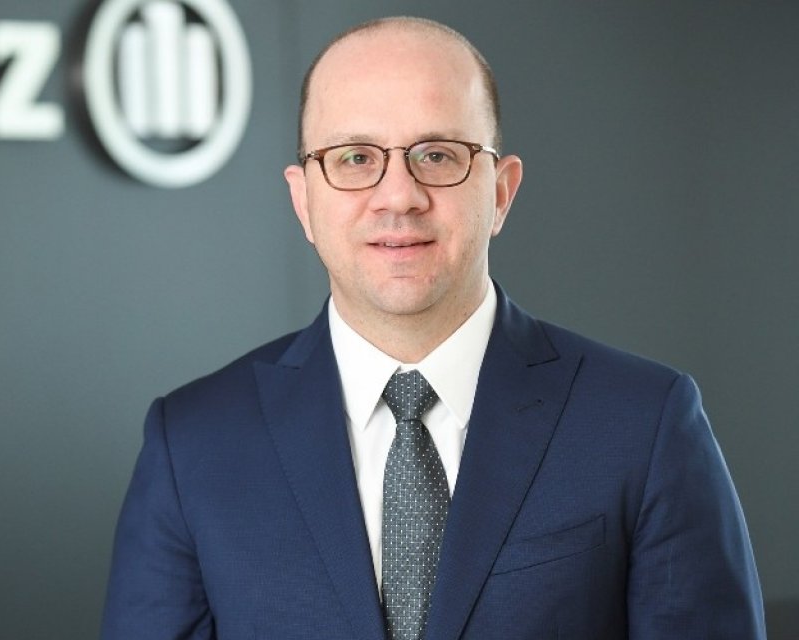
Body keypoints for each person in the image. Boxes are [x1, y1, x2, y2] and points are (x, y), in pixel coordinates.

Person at [100, 16, 765, 640]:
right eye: (355, 158)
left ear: (500, 191)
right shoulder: (193, 444)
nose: (399, 196)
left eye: (438, 155)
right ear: (304, 200)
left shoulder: (644, 423)